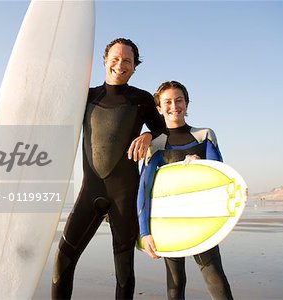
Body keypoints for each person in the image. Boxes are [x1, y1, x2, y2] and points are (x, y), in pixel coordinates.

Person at [51, 38, 166, 299]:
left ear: (135, 66)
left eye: (127, 60)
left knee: (124, 271)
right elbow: (48, 115)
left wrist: (149, 136)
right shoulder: (87, 96)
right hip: (90, 192)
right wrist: (0, 122)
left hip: (125, 195)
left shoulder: (142, 99)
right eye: (115, 58)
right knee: (62, 262)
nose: (120, 64)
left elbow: (165, 132)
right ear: (105, 60)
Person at [137, 81, 233, 300]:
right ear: (159, 108)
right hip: (168, 221)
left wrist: (201, 166)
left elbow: (220, 176)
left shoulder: (204, 135)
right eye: (167, 102)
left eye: (179, 100)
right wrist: (145, 233)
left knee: (215, 277)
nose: (174, 106)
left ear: (187, 103)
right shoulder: (156, 145)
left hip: (201, 219)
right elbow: (145, 188)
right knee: (176, 282)